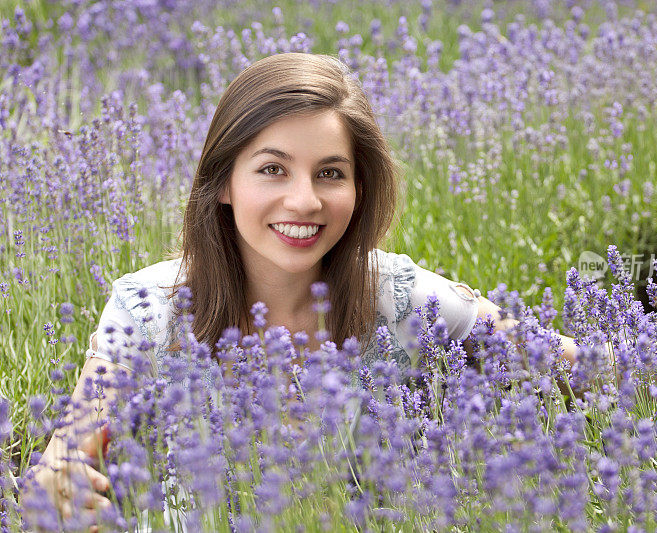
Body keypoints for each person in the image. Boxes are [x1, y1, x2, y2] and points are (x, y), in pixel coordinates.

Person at [21, 53, 578, 529]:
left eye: (331, 173)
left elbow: (573, 365)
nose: (305, 201)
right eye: (273, 169)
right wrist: (57, 485)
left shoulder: (402, 301)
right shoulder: (149, 311)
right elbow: (69, 451)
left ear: (360, 189)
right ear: (223, 183)